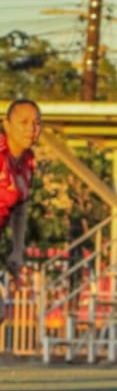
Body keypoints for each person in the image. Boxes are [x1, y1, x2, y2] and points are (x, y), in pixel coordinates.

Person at [1, 99, 42, 292]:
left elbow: (20, 208)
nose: (31, 129)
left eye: (36, 123)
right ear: (7, 125)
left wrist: (17, 250)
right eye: (23, 122)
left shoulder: (27, 161)